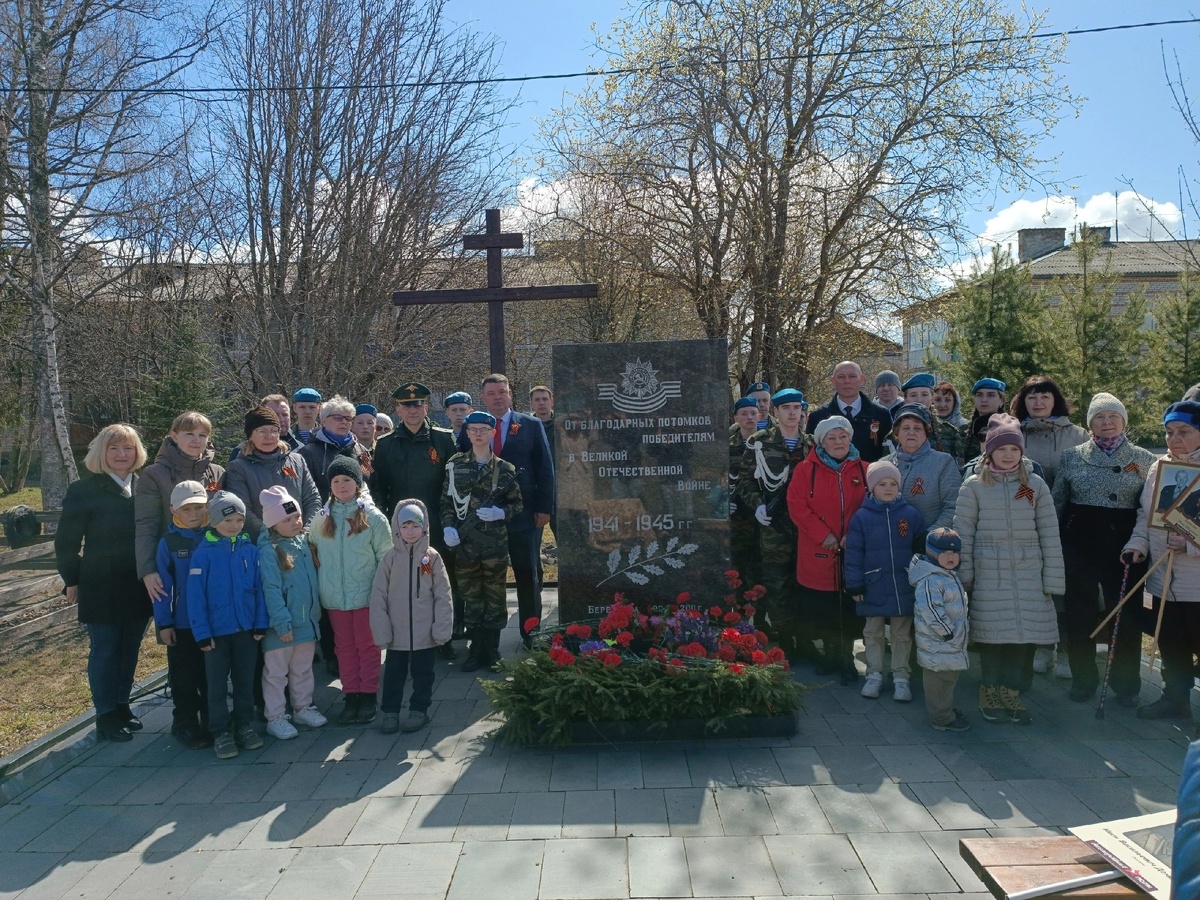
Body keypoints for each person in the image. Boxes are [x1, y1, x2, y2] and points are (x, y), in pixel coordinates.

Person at [955, 414, 1064, 725]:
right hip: (990, 573)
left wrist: (1052, 578)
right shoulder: (974, 486)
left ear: (1022, 452)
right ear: (989, 452)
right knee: (992, 638)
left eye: (1014, 450)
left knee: (1021, 638)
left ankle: (1010, 691)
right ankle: (988, 689)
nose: (1008, 455)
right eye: (1001, 449)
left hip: (1029, 573)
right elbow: (963, 531)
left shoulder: (1035, 485)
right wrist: (966, 575)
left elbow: (1049, 533)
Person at [1052, 392, 1155, 705]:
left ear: (1123, 420)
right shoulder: (1072, 456)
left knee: (1125, 613)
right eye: (1099, 417)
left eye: (1113, 416)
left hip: (1125, 545)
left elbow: (1147, 507)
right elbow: (1058, 501)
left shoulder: (1144, 458)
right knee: (1079, 613)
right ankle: (1083, 679)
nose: (1107, 422)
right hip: (1079, 542)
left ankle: (1126, 685)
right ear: (1090, 423)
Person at [55, 423, 151, 743]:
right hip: (101, 583)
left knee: (130, 648)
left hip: (138, 583)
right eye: (114, 448)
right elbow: (66, 542)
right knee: (105, 650)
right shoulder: (84, 491)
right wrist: (72, 579)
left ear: (137, 452)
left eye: (128, 448)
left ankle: (123, 706)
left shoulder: (144, 487)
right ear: (101, 453)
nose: (122, 454)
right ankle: (105, 715)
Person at [459, 373, 553, 648]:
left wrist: (544, 508)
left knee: (527, 576)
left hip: (524, 515)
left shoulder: (531, 425)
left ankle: (531, 634)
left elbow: (545, 469)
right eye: (491, 393)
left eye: (502, 392)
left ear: (511, 394)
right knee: (487, 579)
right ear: (483, 397)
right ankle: (486, 642)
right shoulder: (472, 427)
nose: (497, 397)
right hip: (483, 520)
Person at [1122, 400, 1200, 720]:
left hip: (1197, 582)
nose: (1174, 439)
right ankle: (1176, 699)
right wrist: (1137, 544)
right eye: (1169, 432)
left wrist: (1192, 545)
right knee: (1171, 641)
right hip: (1163, 576)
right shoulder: (1159, 467)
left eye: (1184, 431)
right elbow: (1146, 514)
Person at [369, 382, 460, 658]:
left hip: (436, 522)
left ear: (427, 407)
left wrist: (449, 521)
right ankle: (407, 642)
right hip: (402, 530)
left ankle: (444, 638)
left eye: (418, 404)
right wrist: (387, 525)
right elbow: (379, 489)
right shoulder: (384, 445)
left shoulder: (443, 439)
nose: (412, 410)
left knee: (440, 583)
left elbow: (452, 484)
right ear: (397, 409)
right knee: (405, 586)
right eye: (406, 405)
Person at [1012, 375, 1088, 678]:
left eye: (1045, 396)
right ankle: (1042, 648)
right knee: (1037, 590)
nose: (1039, 402)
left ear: (1055, 400)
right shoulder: (1015, 433)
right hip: (1025, 524)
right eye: (1032, 397)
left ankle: (1068, 652)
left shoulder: (1078, 435)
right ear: (1023, 403)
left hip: (1069, 524)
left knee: (1067, 590)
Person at [308, 456, 393, 726]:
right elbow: (312, 552)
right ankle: (350, 695)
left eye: (347, 480)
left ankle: (368, 695)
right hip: (334, 598)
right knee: (343, 647)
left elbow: (385, 557)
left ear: (357, 483)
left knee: (367, 646)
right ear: (329, 485)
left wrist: (383, 594)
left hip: (366, 596)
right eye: (336, 481)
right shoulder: (321, 519)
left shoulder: (373, 518)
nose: (341, 485)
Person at [187, 491, 268, 759]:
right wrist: (201, 633)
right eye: (228, 520)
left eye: (238, 520)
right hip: (216, 634)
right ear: (214, 521)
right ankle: (220, 730)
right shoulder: (203, 554)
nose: (234, 526)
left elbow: (258, 589)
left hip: (245, 630)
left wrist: (260, 624)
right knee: (217, 685)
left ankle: (243, 724)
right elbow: (195, 597)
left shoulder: (250, 551)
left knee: (245, 680)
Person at [788, 415, 869, 678]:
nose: (838, 442)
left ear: (850, 438)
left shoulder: (865, 469)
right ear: (822, 443)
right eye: (831, 438)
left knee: (848, 608)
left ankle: (847, 657)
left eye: (842, 436)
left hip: (852, 551)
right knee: (824, 609)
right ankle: (830, 655)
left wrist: (852, 534)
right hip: (819, 550)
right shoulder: (805, 470)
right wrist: (825, 534)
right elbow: (797, 506)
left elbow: (870, 505)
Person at [735, 389, 813, 660]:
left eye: (797, 407)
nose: (792, 413)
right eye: (786, 408)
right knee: (776, 581)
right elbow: (744, 481)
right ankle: (783, 636)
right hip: (773, 525)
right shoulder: (759, 442)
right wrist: (756, 504)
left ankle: (805, 637)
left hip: (805, 527)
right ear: (775, 412)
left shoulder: (812, 444)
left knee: (805, 581)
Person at [443, 411, 524, 671]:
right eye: (473, 430)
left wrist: (502, 512)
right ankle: (475, 651)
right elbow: (445, 502)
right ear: (467, 433)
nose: (478, 434)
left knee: (495, 596)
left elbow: (517, 504)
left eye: (483, 430)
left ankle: (492, 651)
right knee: (471, 597)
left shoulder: (505, 469)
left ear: (493, 433)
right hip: (465, 546)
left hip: (494, 545)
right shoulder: (455, 465)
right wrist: (447, 528)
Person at [370, 500, 453, 734]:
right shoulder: (389, 559)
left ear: (424, 527)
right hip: (397, 635)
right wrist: (381, 631)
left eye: (415, 526)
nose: (410, 531)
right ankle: (390, 712)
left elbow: (443, 594)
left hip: (424, 634)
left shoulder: (432, 558)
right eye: (405, 526)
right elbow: (378, 597)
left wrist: (442, 628)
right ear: (397, 528)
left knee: (423, 674)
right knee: (394, 675)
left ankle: (419, 710)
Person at [844, 460, 924, 702]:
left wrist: (919, 579)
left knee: (901, 634)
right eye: (882, 484)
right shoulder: (861, 517)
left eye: (893, 484)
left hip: (903, 585)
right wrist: (855, 583)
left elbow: (919, 550)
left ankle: (901, 677)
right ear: (871, 488)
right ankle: (874, 674)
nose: (888, 488)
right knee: (873, 631)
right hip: (873, 584)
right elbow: (854, 553)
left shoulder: (910, 515)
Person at [258, 486, 327, 740]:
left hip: (306, 623)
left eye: (296, 516)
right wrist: (281, 623)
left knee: (303, 669)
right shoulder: (268, 551)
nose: (295, 522)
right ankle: (275, 716)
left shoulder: (304, 544)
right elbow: (271, 590)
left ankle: (302, 707)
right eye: (286, 519)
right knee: (276, 673)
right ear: (273, 524)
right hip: (283, 628)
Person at [135, 411, 224, 607]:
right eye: (189, 434)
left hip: (214, 562)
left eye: (202, 435)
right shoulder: (154, 475)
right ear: (174, 436)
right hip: (174, 564)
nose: (196, 440)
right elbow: (146, 524)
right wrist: (147, 570)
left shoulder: (217, 473)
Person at [152, 481, 212, 749]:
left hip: (213, 622)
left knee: (211, 675)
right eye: (187, 509)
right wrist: (164, 623)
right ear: (173, 509)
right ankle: (185, 722)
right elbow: (162, 587)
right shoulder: (170, 542)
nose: (194, 514)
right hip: (183, 623)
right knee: (184, 677)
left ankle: (213, 721)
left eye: (199, 507)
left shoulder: (215, 535)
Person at [224, 406, 321, 538]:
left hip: (300, 539)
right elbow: (243, 509)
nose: (269, 436)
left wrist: (307, 530)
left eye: (274, 431)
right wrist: (272, 535)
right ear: (250, 435)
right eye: (262, 431)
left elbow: (312, 499)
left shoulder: (297, 461)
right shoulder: (238, 467)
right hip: (264, 543)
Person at [908, 528, 971, 732]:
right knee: (938, 681)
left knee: (948, 679)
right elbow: (931, 610)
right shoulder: (931, 580)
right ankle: (941, 718)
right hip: (939, 642)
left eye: (954, 553)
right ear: (933, 554)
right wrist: (947, 631)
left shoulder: (948, 575)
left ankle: (946, 710)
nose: (950, 556)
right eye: (944, 553)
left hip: (951, 643)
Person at [884, 403, 961, 542]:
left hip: (931, 547)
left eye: (918, 428)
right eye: (905, 428)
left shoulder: (943, 462)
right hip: (888, 545)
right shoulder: (883, 465)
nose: (911, 432)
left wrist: (930, 535)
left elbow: (953, 506)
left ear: (926, 432)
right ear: (896, 433)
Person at [807, 361, 892, 462]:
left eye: (852, 376)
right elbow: (812, 454)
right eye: (841, 377)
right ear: (833, 380)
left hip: (869, 475)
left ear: (862, 379)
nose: (847, 381)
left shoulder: (881, 414)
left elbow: (889, 451)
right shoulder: (818, 416)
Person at [297, 395, 372, 502]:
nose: (344, 422)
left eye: (348, 418)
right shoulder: (307, 453)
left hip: (360, 514)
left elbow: (373, 481)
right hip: (325, 514)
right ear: (324, 420)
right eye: (338, 418)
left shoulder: (362, 451)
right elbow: (304, 491)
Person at [728, 397, 763, 587]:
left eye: (753, 413)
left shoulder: (768, 442)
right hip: (737, 515)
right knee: (738, 563)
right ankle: (740, 608)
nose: (749, 417)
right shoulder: (726, 445)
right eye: (744, 414)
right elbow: (718, 477)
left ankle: (759, 614)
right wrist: (722, 501)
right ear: (736, 418)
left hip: (762, 511)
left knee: (760, 565)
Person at [900, 373, 966, 464]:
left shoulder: (949, 431)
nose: (919, 400)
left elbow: (958, 468)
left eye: (924, 394)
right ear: (905, 400)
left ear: (932, 399)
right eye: (913, 395)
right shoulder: (896, 432)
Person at [964, 377, 1006, 462]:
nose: (984, 400)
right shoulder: (963, 431)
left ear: (1001, 401)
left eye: (990, 395)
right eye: (979, 395)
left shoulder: (1010, 429)